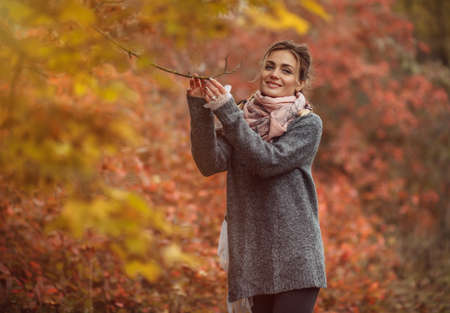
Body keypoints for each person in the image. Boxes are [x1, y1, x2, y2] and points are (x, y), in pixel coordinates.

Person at [186, 40, 327, 313]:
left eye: (286, 70)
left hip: (296, 260)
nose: (275, 74)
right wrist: (199, 109)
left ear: (299, 83)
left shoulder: (307, 123)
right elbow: (208, 162)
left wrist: (227, 112)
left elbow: (267, 161)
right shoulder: (242, 117)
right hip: (253, 260)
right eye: (270, 66)